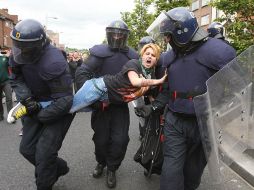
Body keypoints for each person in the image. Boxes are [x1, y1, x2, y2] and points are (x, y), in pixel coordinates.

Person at [137, 7, 236, 190]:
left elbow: (234, 88)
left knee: (192, 174)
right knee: (171, 173)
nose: (166, 40)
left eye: (169, 35)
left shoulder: (218, 53)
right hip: (175, 121)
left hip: (204, 124)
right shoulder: (171, 57)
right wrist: (154, 107)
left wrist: (223, 112)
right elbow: (168, 90)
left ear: (182, 32)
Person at [8, 19, 74, 190]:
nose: (20, 50)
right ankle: (58, 168)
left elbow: (65, 100)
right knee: (27, 149)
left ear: (39, 45)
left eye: (25, 47)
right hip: (33, 103)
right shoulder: (18, 52)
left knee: (44, 155)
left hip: (56, 108)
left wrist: (41, 115)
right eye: (17, 45)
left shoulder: (54, 61)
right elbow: (16, 77)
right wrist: (27, 99)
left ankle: (44, 184)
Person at [75, 20, 139, 188]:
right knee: (101, 139)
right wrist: (91, 98)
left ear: (125, 36)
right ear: (109, 34)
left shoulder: (132, 55)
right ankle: (101, 162)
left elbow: (140, 78)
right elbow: (82, 72)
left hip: (120, 105)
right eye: (114, 33)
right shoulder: (99, 53)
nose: (117, 36)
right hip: (100, 106)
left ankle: (112, 168)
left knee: (120, 140)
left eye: (120, 34)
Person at [69, 43, 165, 113]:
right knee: (68, 110)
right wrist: (159, 81)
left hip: (109, 99)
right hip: (98, 88)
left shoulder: (150, 75)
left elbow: (151, 95)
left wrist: (153, 107)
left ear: (156, 60)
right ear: (142, 55)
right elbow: (135, 82)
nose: (149, 56)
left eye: (153, 55)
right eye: (147, 53)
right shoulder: (134, 63)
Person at [0, 48, 13, 121]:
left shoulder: (4, 57)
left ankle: (10, 116)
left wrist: (9, 57)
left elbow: (12, 65)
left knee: (9, 98)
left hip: (6, 81)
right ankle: (0, 115)